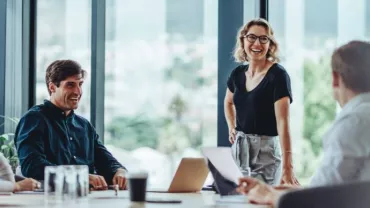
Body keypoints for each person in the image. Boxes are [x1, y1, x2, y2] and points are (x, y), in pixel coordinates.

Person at [237, 40, 370, 205]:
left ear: (335, 78)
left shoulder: (354, 123)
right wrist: (274, 191)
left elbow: (317, 201)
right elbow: (333, 189)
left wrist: (268, 195)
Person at [14, 60, 127, 190]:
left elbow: (105, 159)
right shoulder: (33, 119)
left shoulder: (84, 125)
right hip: (48, 199)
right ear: (52, 87)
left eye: (80, 84)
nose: (78, 91)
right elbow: (32, 166)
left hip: (87, 199)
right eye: (70, 85)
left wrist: (119, 171)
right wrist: (80, 176)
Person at [224, 18, 298, 185]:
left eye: (263, 38)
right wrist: (231, 126)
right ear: (243, 40)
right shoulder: (237, 74)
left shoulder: (278, 76)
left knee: (261, 201)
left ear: (270, 44)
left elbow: (283, 122)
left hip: (266, 153)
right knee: (237, 201)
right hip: (239, 149)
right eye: (251, 37)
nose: (257, 43)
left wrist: (288, 167)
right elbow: (228, 102)